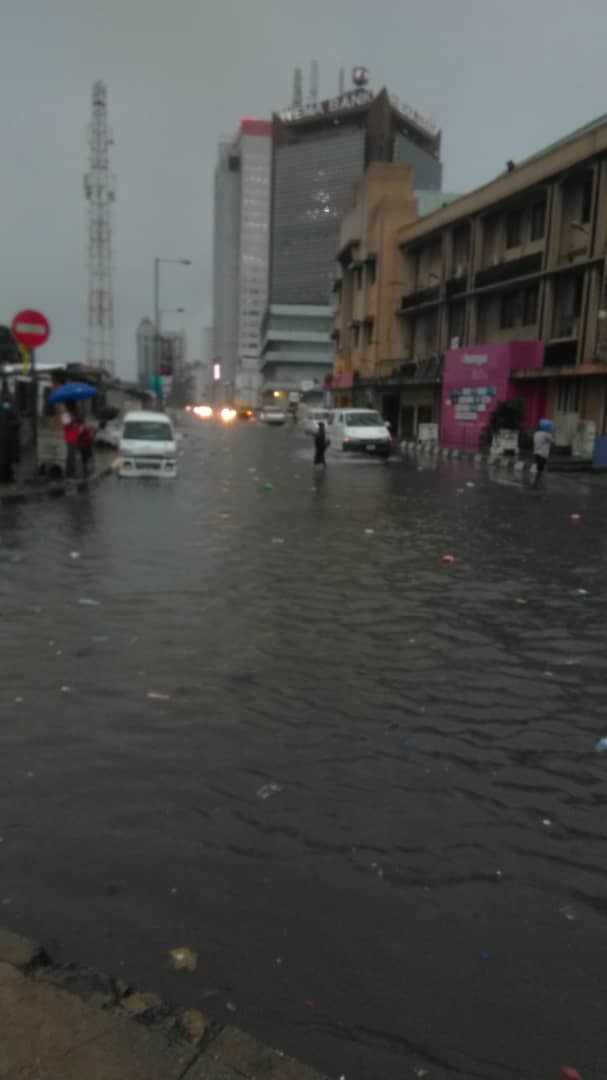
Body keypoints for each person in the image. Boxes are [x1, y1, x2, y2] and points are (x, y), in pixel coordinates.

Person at [533, 418, 553, 483]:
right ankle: (538, 480)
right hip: (543, 454)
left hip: (536, 452)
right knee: (541, 468)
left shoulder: (536, 433)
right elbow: (552, 441)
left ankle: (537, 480)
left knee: (539, 467)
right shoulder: (547, 434)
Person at [61, 406, 80, 478]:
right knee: (70, 456)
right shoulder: (65, 415)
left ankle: (71, 472)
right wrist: (73, 423)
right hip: (70, 438)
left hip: (74, 437)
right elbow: (67, 425)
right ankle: (70, 473)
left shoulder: (72, 415)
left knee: (72, 455)